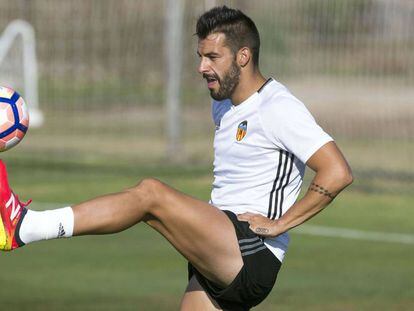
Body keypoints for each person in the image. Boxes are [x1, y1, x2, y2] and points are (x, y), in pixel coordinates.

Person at [0, 6, 353, 311]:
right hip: (218, 252)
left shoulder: (278, 107)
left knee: (150, 195)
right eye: (200, 56)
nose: (202, 67)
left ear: (243, 57)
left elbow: (336, 172)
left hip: (249, 251)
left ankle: (27, 227)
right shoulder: (224, 103)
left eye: (213, 57)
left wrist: (279, 225)